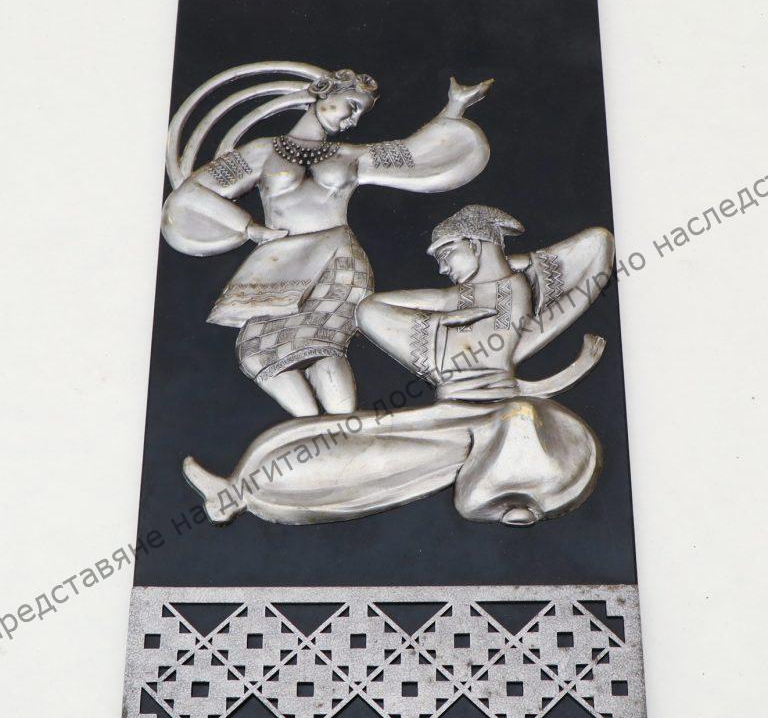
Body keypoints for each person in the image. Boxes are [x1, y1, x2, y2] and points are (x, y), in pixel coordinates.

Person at [182, 205, 615, 528]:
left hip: (491, 413)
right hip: (451, 411)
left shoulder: (519, 291)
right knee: (327, 440)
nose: (442, 267)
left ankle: (504, 495)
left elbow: (596, 244)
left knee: (518, 419)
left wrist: (507, 264)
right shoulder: (454, 304)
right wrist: (447, 311)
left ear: (476, 244)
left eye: (448, 252)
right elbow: (371, 309)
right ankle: (237, 490)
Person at [161, 62, 492, 417]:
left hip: (339, 258)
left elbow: (413, 153)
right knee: (256, 351)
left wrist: (455, 106)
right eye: (351, 106)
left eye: (360, 114)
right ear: (323, 93)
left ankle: (339, 424)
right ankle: (316, 426)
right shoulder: (260, 151)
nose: (353, 120)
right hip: (281, 263)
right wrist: (249, 228)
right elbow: (192, 194)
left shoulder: (349, 156)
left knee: (322, 343)